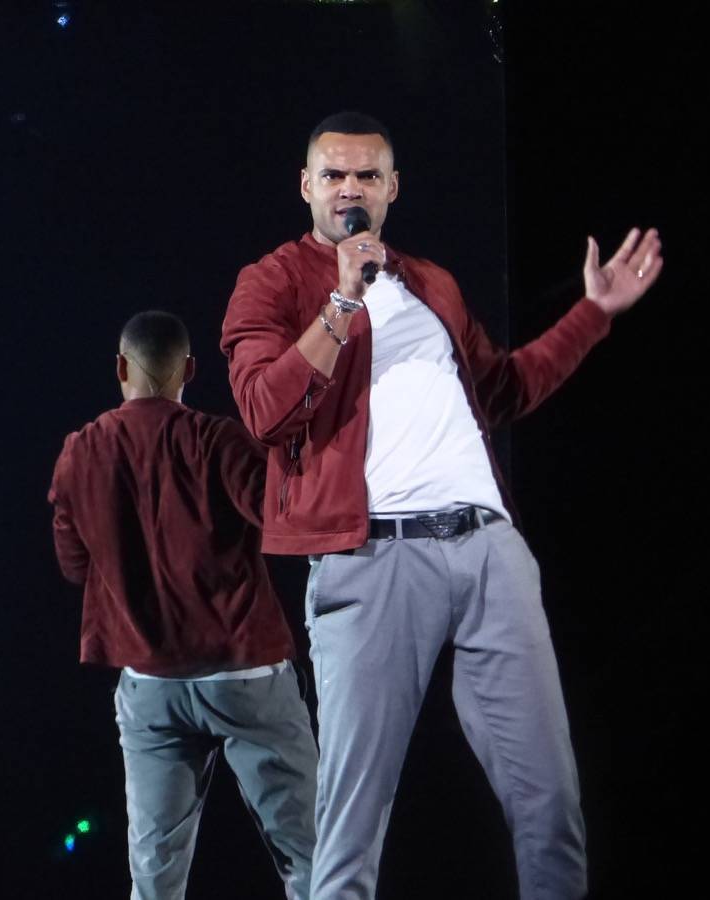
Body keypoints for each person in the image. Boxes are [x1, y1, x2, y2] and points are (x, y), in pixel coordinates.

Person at [220, 111, 662, 900]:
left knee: (549, 799)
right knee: (352, 821)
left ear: (391, 188)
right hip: (372, 557)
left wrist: (593, 313)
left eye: (366, 175)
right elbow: (264, 410)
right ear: (306, 186)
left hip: (489, 549)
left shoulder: (432, 284)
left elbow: (504, 389)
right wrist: (341, 301)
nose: (349, 189)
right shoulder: (275, 281)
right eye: (333, 175)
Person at [48, 310, 319, 900]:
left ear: (120, 368)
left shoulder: (81, 452)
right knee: (311, 858)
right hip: (245, 674)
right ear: (190, 370)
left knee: (154, 878)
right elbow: (285, 517)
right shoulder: (219, 441)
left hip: (151, 685)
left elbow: (74, 567)